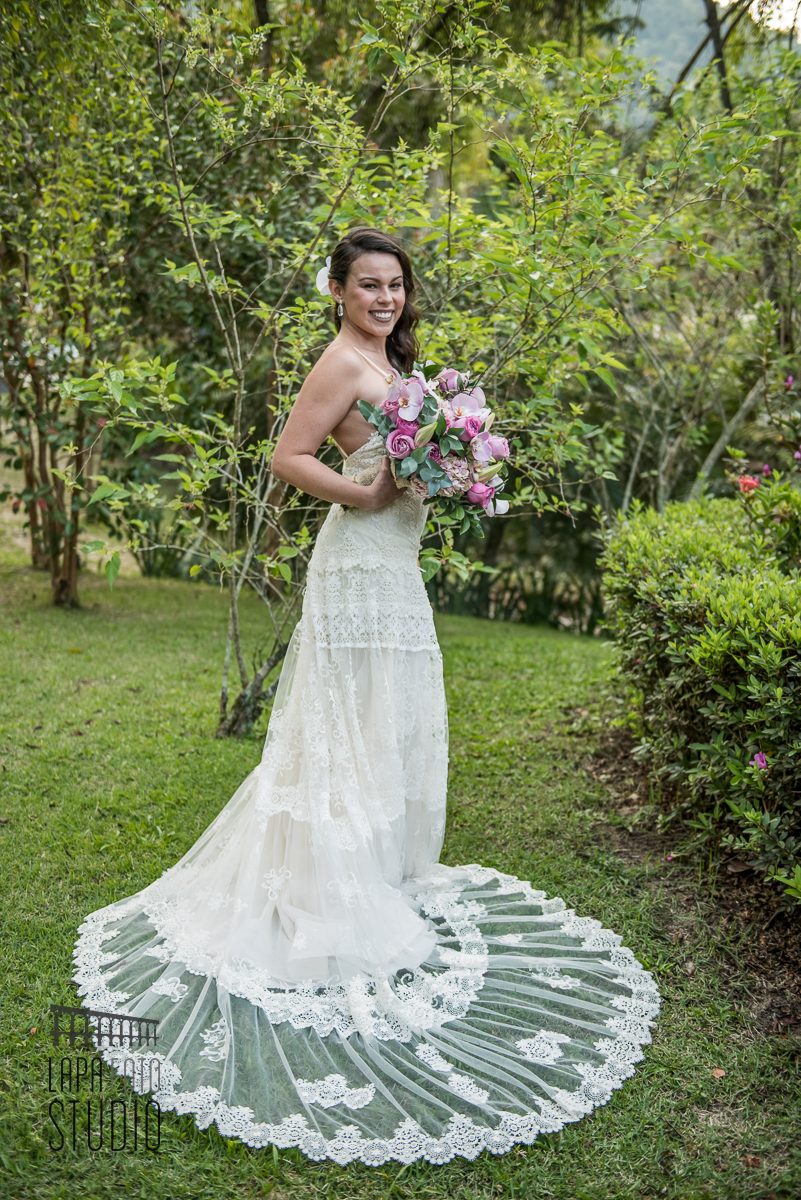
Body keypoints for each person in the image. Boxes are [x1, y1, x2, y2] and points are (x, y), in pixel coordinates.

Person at [74, 227, 659, 1166]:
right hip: (355, 564)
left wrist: (455, 469)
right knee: (340, 726)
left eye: (394, 286)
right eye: (368, 286)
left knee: (385, 721)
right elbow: (287, 457)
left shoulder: (398, 364)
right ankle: (317, 883)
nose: (383, 299)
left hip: (395, 570)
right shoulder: (340, 363)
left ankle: (368, 866)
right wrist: (368, 493)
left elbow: (411, 456)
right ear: (339, 292)